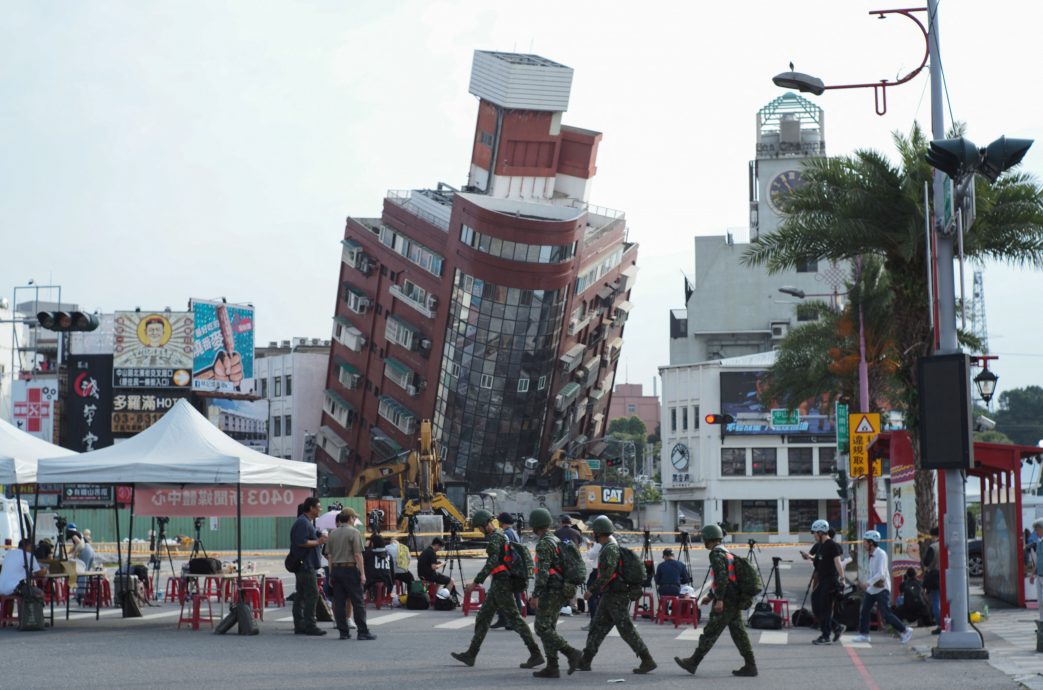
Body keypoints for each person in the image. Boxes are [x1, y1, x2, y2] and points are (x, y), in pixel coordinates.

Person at [451, 509, 543, 669]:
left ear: (486, 524)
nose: (479, 531)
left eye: (480, 527)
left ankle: (535, 654)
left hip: (502, 584)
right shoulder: (500, 535)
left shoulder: (495, 538)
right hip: (498, 584)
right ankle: (471, 654)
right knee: (483, 617)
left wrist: (475, 582)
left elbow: (492, 562)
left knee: (515, 619)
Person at [571, 515, 656, 675]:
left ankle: (647, 659)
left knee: (626, 629)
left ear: (598, 533)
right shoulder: (608, 546)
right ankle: (585, 660)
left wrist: (592, 590)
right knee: (597, 627)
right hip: (610, 594)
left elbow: (606, 575)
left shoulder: (609, 549)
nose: (593, 535)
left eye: (595, 532)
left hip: (617, 595)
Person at [674, 523, 756, 677]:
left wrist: (718, 600)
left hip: (726, 600)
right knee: (739, 633)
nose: (703, 540)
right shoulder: (726, 552)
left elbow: (722, 578)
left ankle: (693, 662)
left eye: (704, 538)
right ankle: (751, 665)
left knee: (711, 631)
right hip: (733, 598)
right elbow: (725, 579)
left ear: (709, 539)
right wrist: (710, 596)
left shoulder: (716, 554)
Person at [527, 507, 583, 678]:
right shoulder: (554, 539)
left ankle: (572, 653)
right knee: (549, 628)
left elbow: (542, 573)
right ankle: (552, 666)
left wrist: (535, 595)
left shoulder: (544, 544)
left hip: (552, 590)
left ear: (535, 525)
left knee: (541, 627)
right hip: (562, 589)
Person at [851, 531, 913, 644]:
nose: (863, 544)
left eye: (865, 542)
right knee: (865, 610)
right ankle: (864, 634)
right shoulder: (872, 556)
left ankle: (905, 630)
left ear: (871, 543)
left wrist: (867, 583)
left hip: (882, 589)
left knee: (886, 614)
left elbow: (881, 573)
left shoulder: (881, 554)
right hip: (873, 589)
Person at [327, 509, 375, 641]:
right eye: (354, 518)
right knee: (357, 601)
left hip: (336, 570)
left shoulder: (332, 533)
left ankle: (343, 632)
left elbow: (329, 556)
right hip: (350, 569)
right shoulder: (354, 532)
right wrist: (363, 573)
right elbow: (358, 555)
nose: (355, 520)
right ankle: (363, 631)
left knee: (339, 602)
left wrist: (331, 574)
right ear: (350, 518)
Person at [291, 497, 328, 636]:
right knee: (312, 595)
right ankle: (310, 625)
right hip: (306, 566)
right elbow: (301, 542)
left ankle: (300, 625)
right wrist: (318, 541)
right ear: (311, 508)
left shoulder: (307, 522)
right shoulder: (302, 523)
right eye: (318, 507)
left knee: (301, 595)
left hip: (306, 565)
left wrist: (318, 536)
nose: (320, 509)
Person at [808, 519, 845, 645]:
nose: (814, 535)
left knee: (825, 608)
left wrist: (842, 578)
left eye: (815, 533)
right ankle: (836, 626)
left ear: (821, 532)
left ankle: (826, 635)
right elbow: (819, 559)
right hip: (822, 580)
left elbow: (838, 563)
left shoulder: (831, 545)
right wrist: (810, 558)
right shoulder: (821, 546)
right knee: (816, 604)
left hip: (830, 580)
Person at [492, 512, 525, 630]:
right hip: (515, 567)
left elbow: (504, 551)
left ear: (502, 522)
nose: (498, 523)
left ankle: (513, 621)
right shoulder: (514, 533)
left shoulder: (506, 534)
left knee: (511, 595)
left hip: (509, 567)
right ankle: (503, 619)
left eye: (499, 521)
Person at [923, 526, 941, 633]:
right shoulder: (948, 545)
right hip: (948, 576)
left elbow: (926, 562)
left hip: (935, 576)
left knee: (936, 601)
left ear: (934, 536)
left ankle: (940, 624)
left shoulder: (933, 547)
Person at [1029, 519, 1043, 621]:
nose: (1036, 532)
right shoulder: (1039, 543)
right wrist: (1033, 573)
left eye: (1037, 529)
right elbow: (1038, 560)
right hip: (1039, 575)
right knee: (1040, 601)